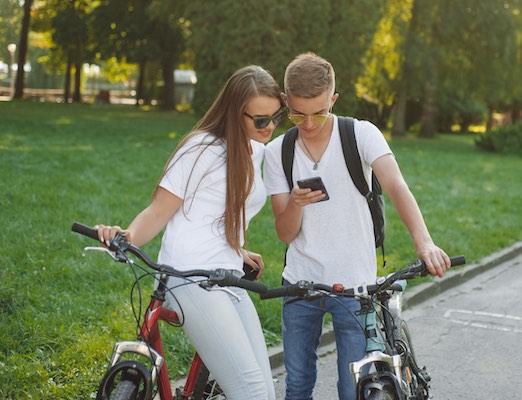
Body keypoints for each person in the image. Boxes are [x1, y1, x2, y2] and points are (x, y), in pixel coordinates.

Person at [263, 52, 451, 400]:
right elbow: (285, 233)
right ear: (286, 102)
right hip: (300, 284)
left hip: (356, 287)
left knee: (353, 391)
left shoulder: (360, 134)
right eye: (298, 114)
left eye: (319, 112)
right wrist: (295, 203)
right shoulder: (278, 152)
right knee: (297, 386)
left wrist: (424, 243)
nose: (307, 123)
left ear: (333, 99)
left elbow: (397, 187)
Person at [95, 65, 285, 400]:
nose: (270, 127)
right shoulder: (200, 148)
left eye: (275, 118)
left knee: (266, 391)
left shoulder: (259, 153)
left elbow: (214, 213)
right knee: (253, 392)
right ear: (234, 112)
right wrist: (124, 237)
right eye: (261, 120)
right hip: (186, 277)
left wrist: (236, 248)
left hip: (228, 277)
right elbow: (158, 212)